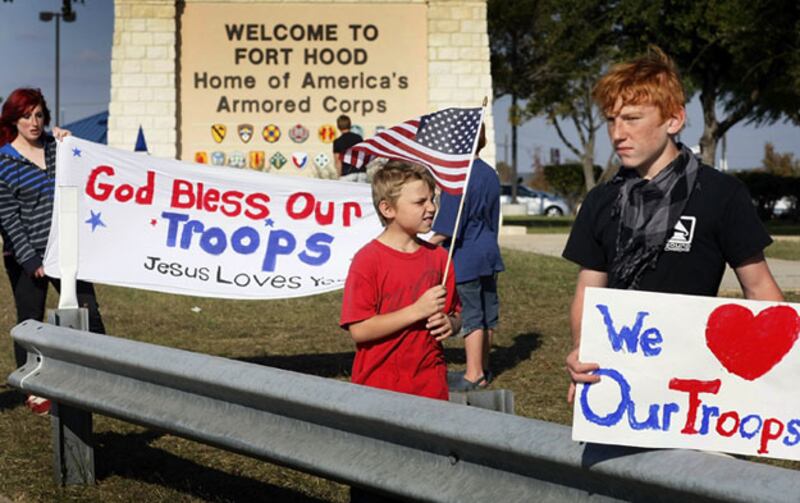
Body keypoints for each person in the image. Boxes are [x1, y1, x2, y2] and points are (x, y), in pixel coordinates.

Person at [562, 49, 784, 402]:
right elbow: (587, 293)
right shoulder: (600, 200)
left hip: (697, 389)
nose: (618, 133)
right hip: (616, 390)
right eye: (611, 120)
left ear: (674, 120)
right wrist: (580, 352)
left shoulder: (721, 194)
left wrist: (779, 379)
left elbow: (760, 290)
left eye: (632, 118)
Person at [0, 88, 107, 414]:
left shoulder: (57, 150)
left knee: (89, 315)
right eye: (26, 116)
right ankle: (34, 387)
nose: (33, 122)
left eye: (38, 115)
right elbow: (7, 217)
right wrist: (30, 259)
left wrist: (70, 143)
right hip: (25, 256)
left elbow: (85, 176)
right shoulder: (4, 160)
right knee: (31, 322)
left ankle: (96, 379)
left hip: (67, 251)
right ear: (13, 119)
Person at [340, 160, 461, 401]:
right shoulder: (368, 260)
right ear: (388, 209)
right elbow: (360, 330)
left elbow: (457, 315)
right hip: (377, 389)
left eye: (432, 199)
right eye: (419, 202)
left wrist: (452, 324)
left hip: (431, 386)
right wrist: (417, 310)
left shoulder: (439, 258)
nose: (431, 208)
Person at [430, 124, 504, 390]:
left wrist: (423, 244)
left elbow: (449, 225)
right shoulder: (490, 174)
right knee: (487, 313)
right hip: (488, 250)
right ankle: (484, 367)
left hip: (466, 255)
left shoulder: (457, 177)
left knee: (471, 314)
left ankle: (473, 374)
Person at [333, 114, 366, 182]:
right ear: (350, 125)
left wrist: (339, 176)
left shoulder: (337, 142)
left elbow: (338, 161)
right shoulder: (358, 138)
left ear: (338, 126)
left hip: (347, 174)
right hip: (361, 172)